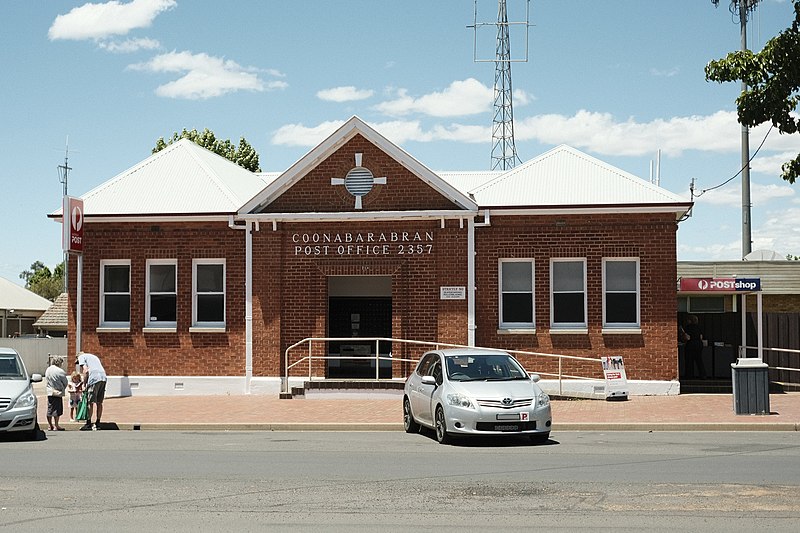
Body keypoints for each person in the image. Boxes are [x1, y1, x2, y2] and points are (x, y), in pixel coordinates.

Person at [76, 352, 107, 431]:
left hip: (94, 378)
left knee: (90, 402)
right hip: (103, 377)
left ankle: (88, 423)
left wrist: (84, 384)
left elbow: (85, 370)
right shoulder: (94, 357)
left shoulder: (81, 357)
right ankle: (98, 423)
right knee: (99, 402)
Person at [44, 356, 68, 431]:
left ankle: (50, 425)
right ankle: (56, 425)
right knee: (57, 410)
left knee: (50, 408)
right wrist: (63, 387)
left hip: (50, 392)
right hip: (58, 391)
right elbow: (65, 382)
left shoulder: (48, 369)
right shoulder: (60, 371)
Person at [683, 315, 707, 380]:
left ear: (690, 320)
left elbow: (687, 338)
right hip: (698, 344)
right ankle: (703, 375)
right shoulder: (699, 327)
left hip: (690, 344)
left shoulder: (688, 327)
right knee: (699, 360)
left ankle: (689, 376)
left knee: (689, 361)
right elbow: (701, 337)